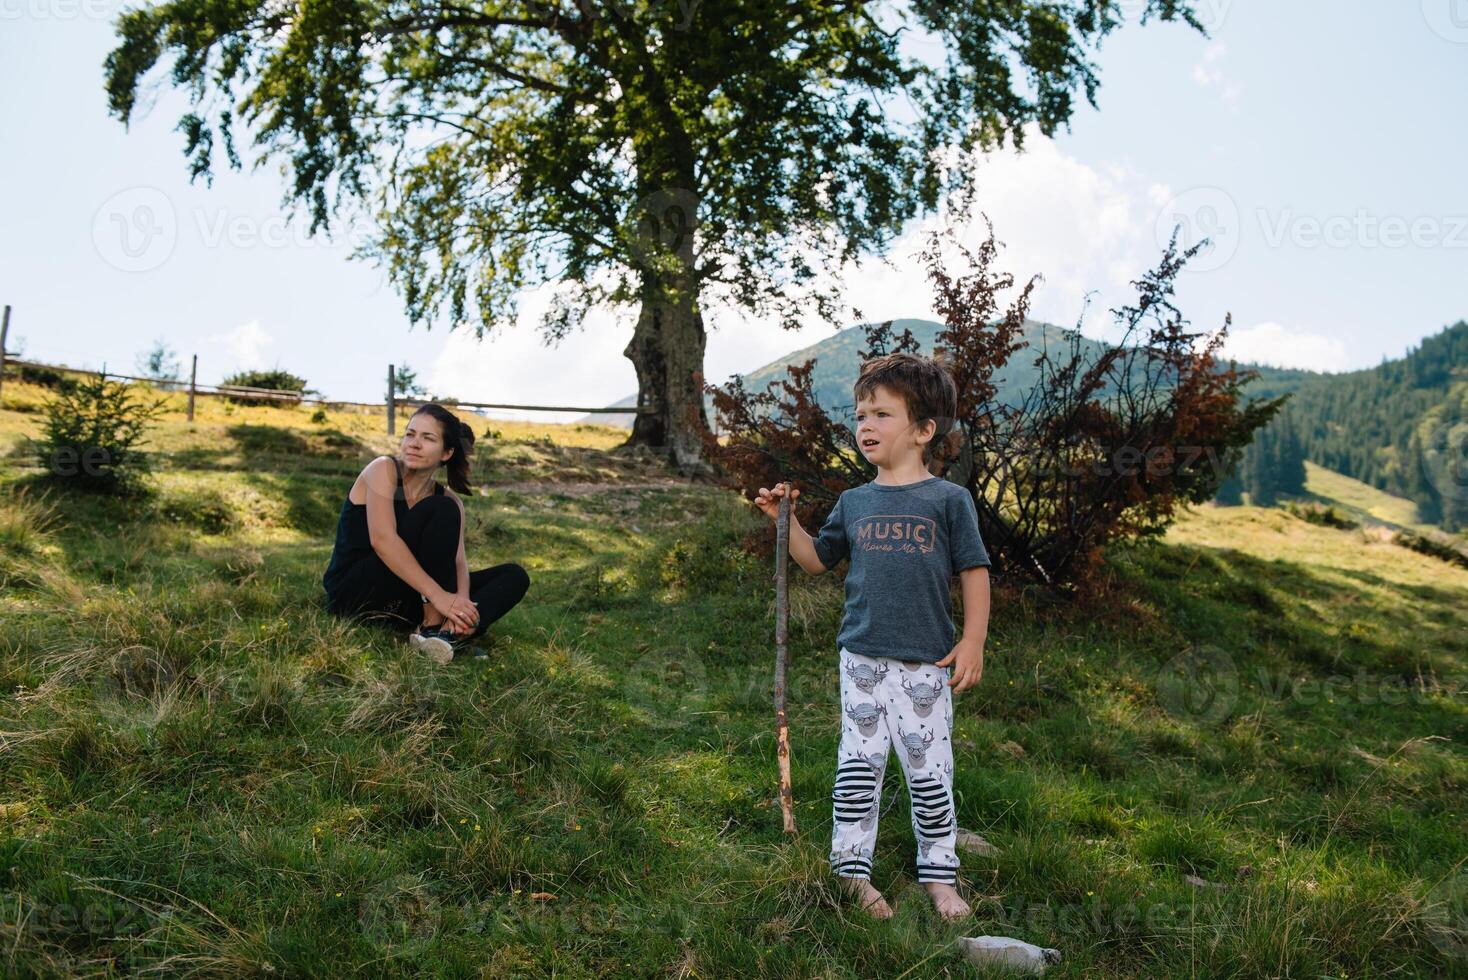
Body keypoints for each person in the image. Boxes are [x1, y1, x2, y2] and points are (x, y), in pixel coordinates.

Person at [752, 352, 991, 923]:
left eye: (882, 414)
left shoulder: (948, 501)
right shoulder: (854, 502)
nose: (865, 426)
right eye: (860, 414)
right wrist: (785, 521)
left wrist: (974, 640)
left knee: (930, 772)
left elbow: (975, 572)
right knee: (858, 768)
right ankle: (851, 871)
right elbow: (815, 561)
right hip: (859, 659)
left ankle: (939, 873)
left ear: (924, 430)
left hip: (926, 664)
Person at [322, 403, 530, 663]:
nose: (414, 443)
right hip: (356, 593)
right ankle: (432, 627)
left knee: (513, 576)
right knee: (438, 509)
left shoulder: (450, 500)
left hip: (406, 599)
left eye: (427, 438)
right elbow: (383, 540)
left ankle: (447, 635)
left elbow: (458, 562)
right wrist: (440, 596)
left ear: (447, 452)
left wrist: (460, 603)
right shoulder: (383, 470)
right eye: (410, 434)